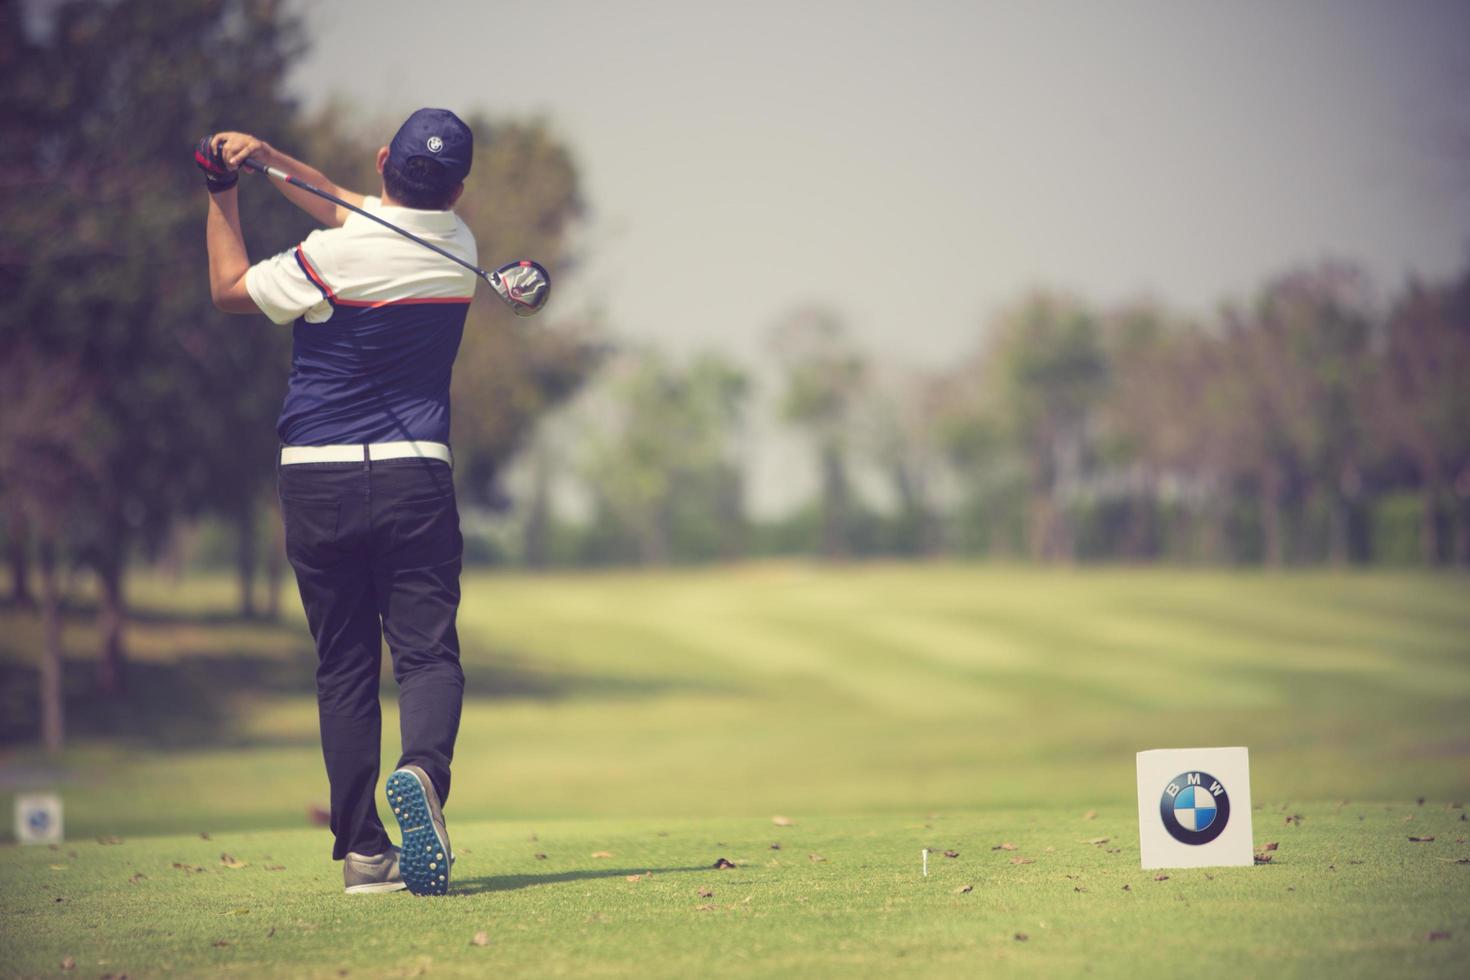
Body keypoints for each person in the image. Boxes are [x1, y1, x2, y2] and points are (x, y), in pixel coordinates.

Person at [197, 109, 476, 896]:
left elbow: (228, 290)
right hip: (414, 475)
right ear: (458, 185)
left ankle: (364, 853)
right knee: (426, 653)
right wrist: (268, 159)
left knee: (344, 666)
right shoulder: (458, 248)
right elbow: (345, 204)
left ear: (384, 160)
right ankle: (422, 771)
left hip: (315, 477)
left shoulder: (329, 254)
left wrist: (223, 191)